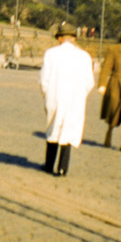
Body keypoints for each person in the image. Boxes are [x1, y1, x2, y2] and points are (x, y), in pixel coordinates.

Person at [39, 22, 94, 177]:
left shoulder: (51, 53)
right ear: (74, 38)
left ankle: (49, 164)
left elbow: (44, 79)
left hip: (54, 96)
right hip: (74, 99)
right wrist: (81, 96)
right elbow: (89, 82)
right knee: (68, 132)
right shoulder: (84, 56)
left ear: (60, 38)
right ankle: (62, 168)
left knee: (53, 129)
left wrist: (46, 94)